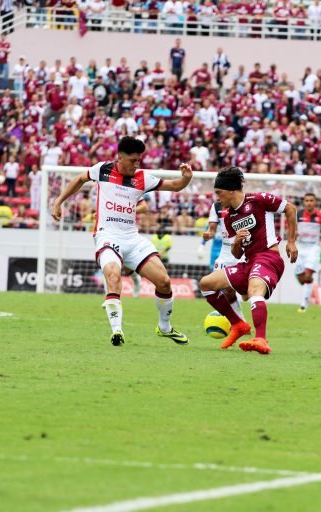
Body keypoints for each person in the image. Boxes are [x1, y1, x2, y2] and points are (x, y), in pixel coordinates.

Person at [51, 136, 193, 347]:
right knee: (113, 275)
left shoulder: (143, 178)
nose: (137, 164)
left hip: (132, 238)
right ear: (120, 157)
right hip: (107, 235)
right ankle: (117, 331)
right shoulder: (103, 170)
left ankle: (164, 327)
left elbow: (175, 186)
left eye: (139, 161)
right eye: (133, 160)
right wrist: (59, 202)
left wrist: (186, 178)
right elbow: (79, 179)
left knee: (163, 282)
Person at [199, 167, 298, 355]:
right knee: (206, 284)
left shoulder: (259, 200)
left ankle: (261, 338)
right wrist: (236, 242)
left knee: (254, 289)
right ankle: (238, 325)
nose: (217, 198)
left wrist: (291, 241)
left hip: (268, 257)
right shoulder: (230, 218)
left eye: (219, 193)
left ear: (231, 191)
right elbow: (237, 254)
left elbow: (291, 209)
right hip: (249, 261)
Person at [202, 198, 245, 319]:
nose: (218, 195)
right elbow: (212, 231)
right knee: (221, 288)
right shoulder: (216, 207)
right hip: (225, 253)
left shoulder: (243, 203)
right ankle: (239, 321)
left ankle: (239, 320)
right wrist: (208, 235)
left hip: (242, 251)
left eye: (220, 191)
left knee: (245, 294)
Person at [295, 193, 321, 313]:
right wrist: (294, 235)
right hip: (300, 248)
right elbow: (292, 230)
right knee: (301, 279)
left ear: (315, 202)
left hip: (314, 248)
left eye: (311, 200)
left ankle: (304, 305)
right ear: (304, 202)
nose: (309, 202)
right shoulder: (298, 214)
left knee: (308, 275)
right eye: (307, 200)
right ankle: (305, 279)